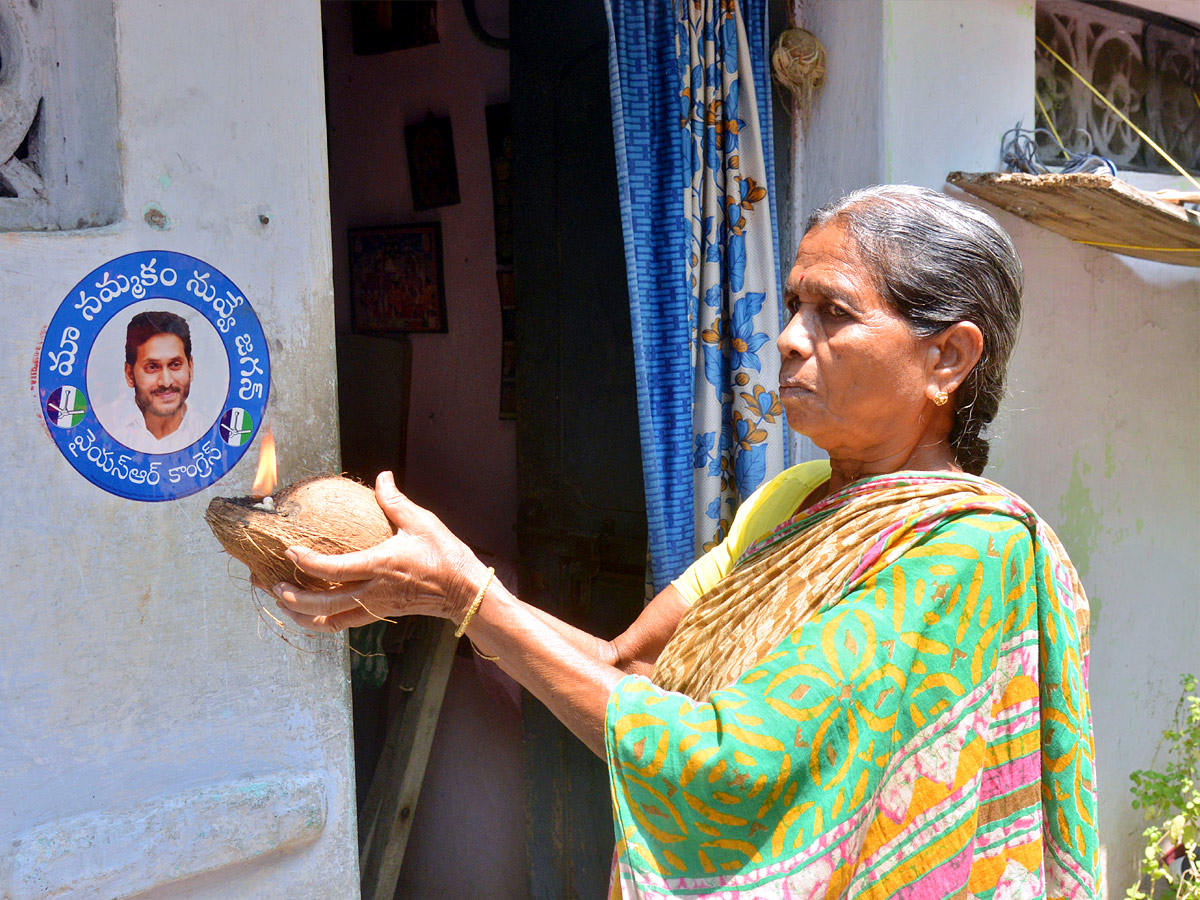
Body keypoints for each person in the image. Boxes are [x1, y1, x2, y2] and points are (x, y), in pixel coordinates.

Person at [272, 185, 1099, 899]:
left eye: (834, 312)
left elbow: (731, 767)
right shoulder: (791, 501)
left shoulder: (963, 556)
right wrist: (445, 590)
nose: (788, 337)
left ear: (948, 357)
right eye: (795, 305)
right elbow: (628, 669)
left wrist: (468, 598)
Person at [110, 310, 201, 453]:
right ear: (130, 375)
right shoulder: (102, 430)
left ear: (190, 367)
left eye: (175, 365)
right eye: (152, 367)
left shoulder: (211, 432)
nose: (166, 382)